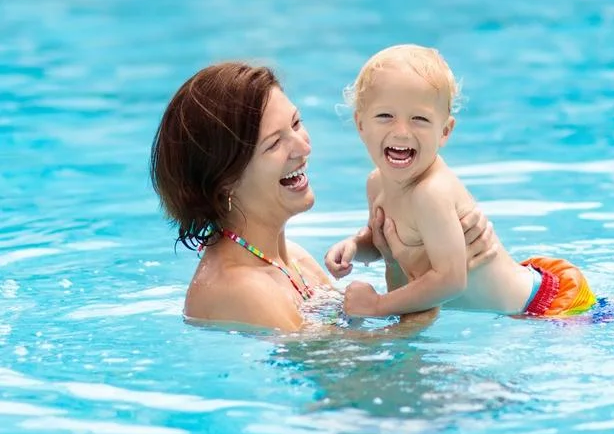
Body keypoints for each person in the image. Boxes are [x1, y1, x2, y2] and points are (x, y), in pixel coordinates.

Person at [149, 61, 498, 333]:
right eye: (274, 143)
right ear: (224, 182)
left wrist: (413, 254)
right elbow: (347, 373)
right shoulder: (239, 289)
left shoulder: (293, 260)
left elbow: (355, 340)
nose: (303, 146)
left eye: (297, 123)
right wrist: (436, 286)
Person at [326, 44, 597, 319]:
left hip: (545, 307)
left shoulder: (431, 192)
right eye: (385, 116)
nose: (401, 131)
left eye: (419, 119)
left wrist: (378, 306)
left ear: (444, 131)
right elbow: (387, 241)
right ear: (360, 124)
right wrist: (355, 247)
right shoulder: (376, 184)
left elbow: (451, 280)